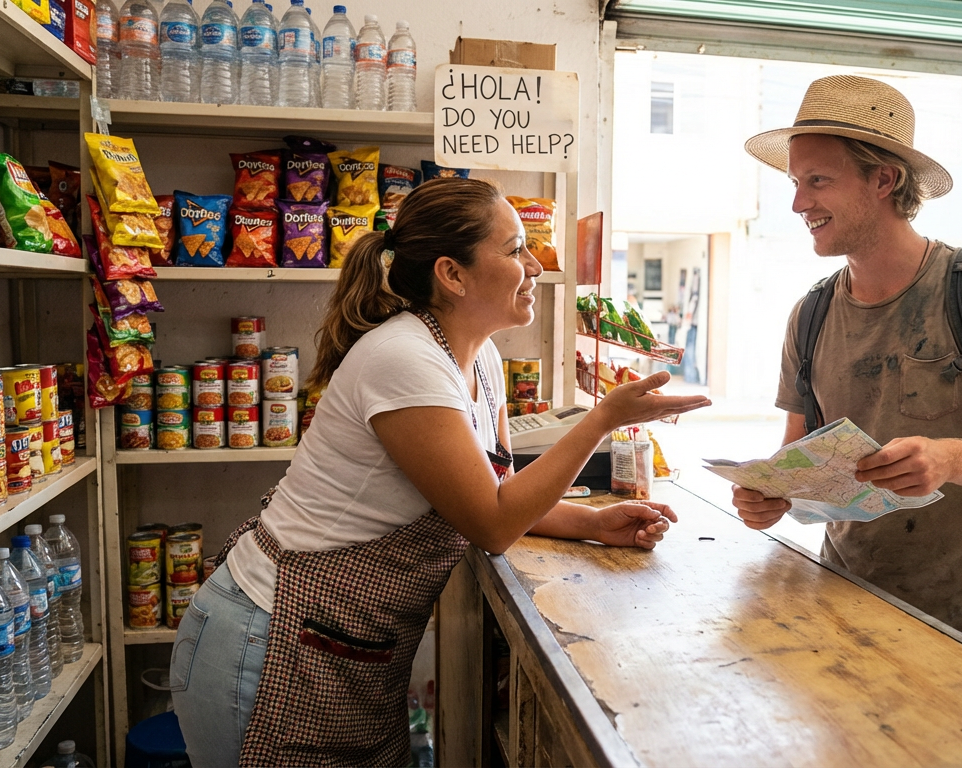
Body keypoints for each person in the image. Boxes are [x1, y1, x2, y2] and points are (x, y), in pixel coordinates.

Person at [169, 178, 710, 766]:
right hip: (266, 640)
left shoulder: (482, 362)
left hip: (342, 646)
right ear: (452, 274)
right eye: (514, 249)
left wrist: (591, 523)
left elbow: (494, 493)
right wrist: (602, 418)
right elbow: (492, 523)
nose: (533, 265)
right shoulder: (404, 358)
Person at [730, 75, 962, 660]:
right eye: (795, 182)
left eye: (818, 181)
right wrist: (771, 495)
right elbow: (800, 461)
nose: (797, 203)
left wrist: (949, 458)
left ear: (884, 179)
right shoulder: (810, 315)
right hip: (841, 613)